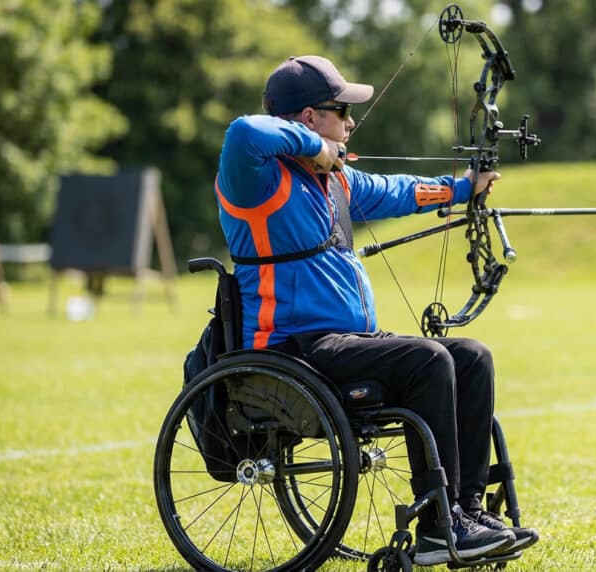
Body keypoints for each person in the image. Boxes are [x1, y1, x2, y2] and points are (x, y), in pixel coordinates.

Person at [212, 55, 539, 565]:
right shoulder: (255, 178)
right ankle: (436, 527)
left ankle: (466, 511)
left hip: (348, 346)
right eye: (340, 110)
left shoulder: (337, 183)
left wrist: (462, 188)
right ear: (307, 119)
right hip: (295, 350)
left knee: (471, 355)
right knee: (429, 359)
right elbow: (244, 131)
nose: (350, 122)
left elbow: (400, 190)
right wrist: (318, 149)